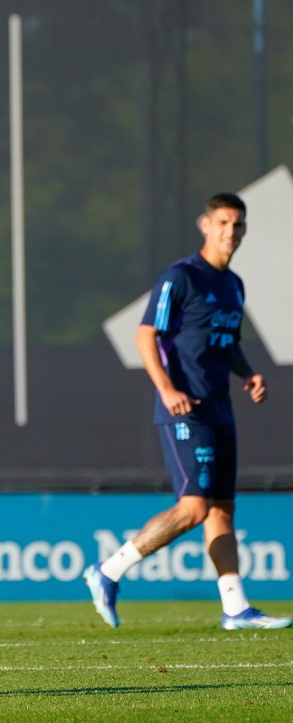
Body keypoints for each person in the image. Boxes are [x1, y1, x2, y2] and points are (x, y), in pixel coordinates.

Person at [85, 192, 291, 631]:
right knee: (195, 508)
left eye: (237, 224)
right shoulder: (180, 277)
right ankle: (107, 571)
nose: (229, 231)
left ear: (245, 229)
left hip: (219, 408)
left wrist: (249, 374)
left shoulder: (233, 284)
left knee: (221, 511)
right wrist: (167, 388)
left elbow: (227, 341)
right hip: (184, 409)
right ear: (205, 225)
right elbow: (145, 336)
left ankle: (235, 608)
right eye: (221, 222)